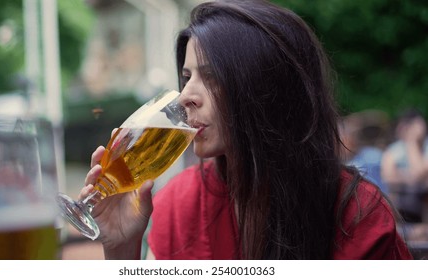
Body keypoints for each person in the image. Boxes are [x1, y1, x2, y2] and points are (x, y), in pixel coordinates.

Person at [80, 0, 412, 259]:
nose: (185, 97)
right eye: (187, 77)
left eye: (211, 77)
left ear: (267, 88)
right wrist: (122, 251)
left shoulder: (356, 214)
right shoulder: (179, 203)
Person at [381, 109, 428, 224]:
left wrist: (411, 142)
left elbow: (419, 173)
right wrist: (411, 177)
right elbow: (387, 177)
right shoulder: (394, 150)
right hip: (401, 198)